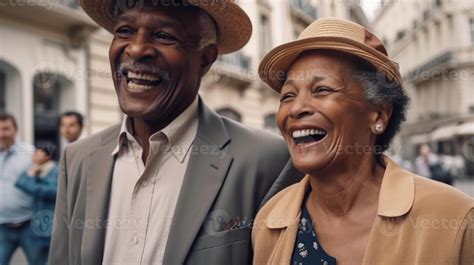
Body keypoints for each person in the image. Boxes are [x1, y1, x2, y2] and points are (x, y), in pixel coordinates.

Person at [48, 1, 301, 265]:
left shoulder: (267, 161)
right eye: (124, 31)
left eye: (164, 36)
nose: (136, 49)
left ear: (205, 59)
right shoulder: (78, 158)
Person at [253, 18, 473, 264]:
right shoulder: (268, 222)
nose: (296, 109)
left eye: (322, 90)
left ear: (378, 114)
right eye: (288, 96)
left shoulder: (456, 218)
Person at [0, 113, 36, 265]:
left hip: (29, 224)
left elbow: (45, 184)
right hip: (2, 227)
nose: (2, 134)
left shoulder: (30, 153)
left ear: (15, 130)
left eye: (6, 128)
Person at [15, 146, 59, 265]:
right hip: (36, 222)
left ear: (47, 155)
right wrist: (32, 175)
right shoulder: (33, 169)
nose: (34, 156)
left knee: (55, 258)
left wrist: (32, 183)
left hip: (52, 220)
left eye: (37, 153)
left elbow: (54, 192)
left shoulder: (57, 170)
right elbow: (19, 182)